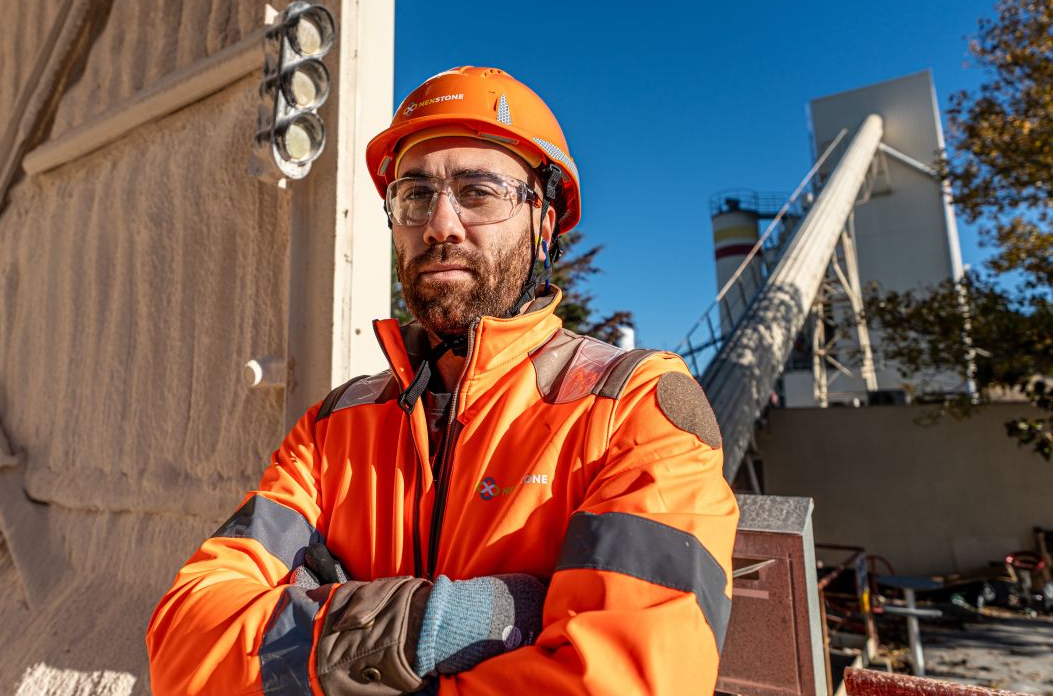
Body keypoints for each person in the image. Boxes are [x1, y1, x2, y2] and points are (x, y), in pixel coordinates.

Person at [146, 66, 739, 695]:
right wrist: (431, 626)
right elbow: (184, 644)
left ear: (544, 223)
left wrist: (315, 636)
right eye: (415, 195)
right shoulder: (333, 428)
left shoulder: (636, 409)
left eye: (478, 191)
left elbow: (626, 683)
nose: (440, 224)